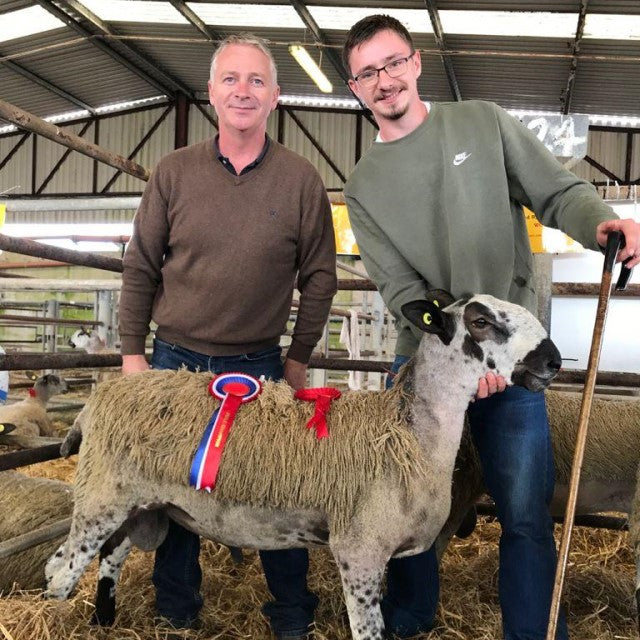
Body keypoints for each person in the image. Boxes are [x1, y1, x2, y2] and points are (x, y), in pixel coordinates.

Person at [341, 14, 640, 640]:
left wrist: (603, 223)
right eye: (367, 72)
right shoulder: (363, 186)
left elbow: (557, 192)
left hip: (513, 356)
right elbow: (402, 290)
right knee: (409, 510)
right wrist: (459, 365)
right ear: (355, 87)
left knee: (526, 513)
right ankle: (408, 623)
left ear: (416, 63)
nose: (384, 79)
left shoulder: (480, 122)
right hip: (429, 367)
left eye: (392, 63)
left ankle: (531, 632)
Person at [118, 34, 337, 640]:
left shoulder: (301, 180)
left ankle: (292, 614)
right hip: (173, 360)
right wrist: (134, 355)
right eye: (231, 79)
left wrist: (296, 360)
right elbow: (141, 265)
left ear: (275, 97)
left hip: (259, 364)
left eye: (257, 81)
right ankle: (175, 611)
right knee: (174, 488)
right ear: (212, 91)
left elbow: (321, 276)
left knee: (276, 489)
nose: (244, 90)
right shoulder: (173, 172)